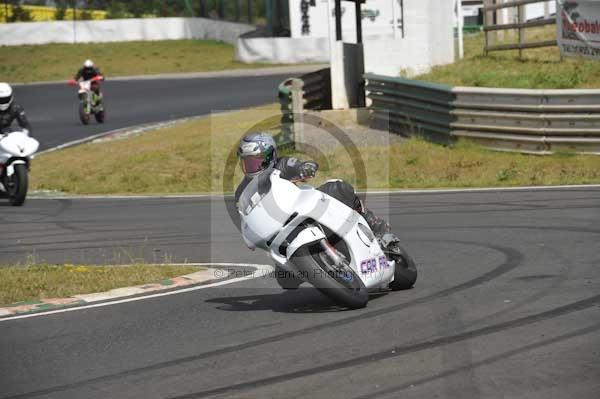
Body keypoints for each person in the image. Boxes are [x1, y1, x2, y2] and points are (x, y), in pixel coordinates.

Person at [235, 132, 403, 258]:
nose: (251, 167)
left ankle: (376, 226)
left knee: (338, 187)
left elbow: (299, 165)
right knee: (285, 280)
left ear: (270, 156)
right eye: (246, 162)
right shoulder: (242, 192)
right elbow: (246, 219)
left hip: (304, 210)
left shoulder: (282, 164)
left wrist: (305, 168)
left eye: (255, 161)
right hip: (280, 235)